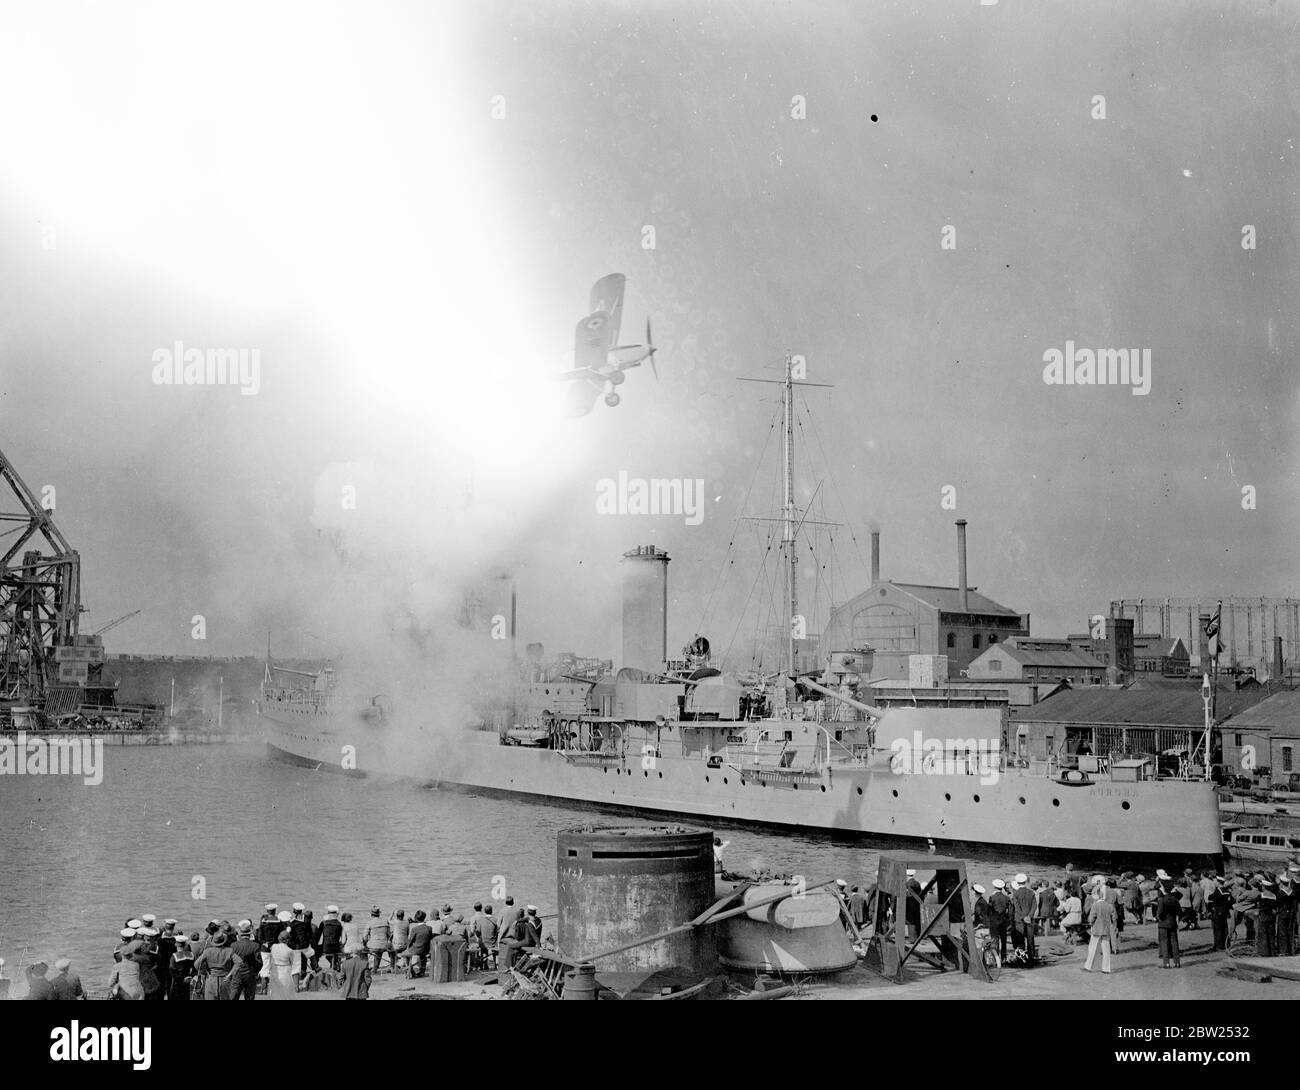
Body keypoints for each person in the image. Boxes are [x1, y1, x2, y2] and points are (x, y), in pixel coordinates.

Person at [1083, 880, 1117, 973]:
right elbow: (1114, 917)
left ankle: (1088, 966)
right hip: (1106, 928)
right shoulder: (1110, 906)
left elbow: (1091, 918)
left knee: (1092, 948)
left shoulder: (1095, 905)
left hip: (1096, 928)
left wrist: (1091, 923)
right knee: (1106, 949)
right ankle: (1106, 968)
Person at [228, 921, 263, 1001]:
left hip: (237, 974)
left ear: (240, 933)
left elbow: (230, 962)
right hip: (250, 974)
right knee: (249, 997)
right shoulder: (255, 945)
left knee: (233, 997)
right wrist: (255, 972)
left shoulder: (234, 945)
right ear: (250, 934)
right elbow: (259, 962)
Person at [196, 930, 235, 1000]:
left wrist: (203, 972)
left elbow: (197, 964)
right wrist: (231, 973)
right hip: (224, 978)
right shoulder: (229, 950)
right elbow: (239, 962)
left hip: (211, 978)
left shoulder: (208, 951)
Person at [1157, 882, 1182, 969]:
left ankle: (1166, 962)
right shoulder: (1175, 900)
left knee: (1164, 942)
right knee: (1174, 942)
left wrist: (1161, 919)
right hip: (1173, 922)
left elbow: (1159, 913)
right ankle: (1177, 962)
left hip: (1163, 923)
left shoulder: (1162, 900)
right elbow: (1179, 912)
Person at [1011, 875, 1035, 963]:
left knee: (1020, 939)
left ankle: (1021, 959)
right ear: (1025, 882)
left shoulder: (1016, 894)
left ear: (1017, 883)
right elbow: (1034, 906)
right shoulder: (1031, 892)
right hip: (1029, 919)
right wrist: (1029, 916)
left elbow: (1017, 908)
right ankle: (1031, 959)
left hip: (1019, 920)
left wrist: (1022, 917)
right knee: (1030, 939)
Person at [270, 928, 298, 999]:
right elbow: (292, 962)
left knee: (275, 992)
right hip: (285, 971)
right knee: (287, 992)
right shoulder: (290, 950)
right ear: (287, 940)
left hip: (274, 970)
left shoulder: (273, 946)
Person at [987, 878, 1011, 963]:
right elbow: (1009, 910)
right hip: (1003, 921)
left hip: (994, 921)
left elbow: (989, 910)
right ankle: (1003, 958)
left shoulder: (992, 897)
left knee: (994, 940)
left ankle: (995, 958)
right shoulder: (1006, 898)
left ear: (995, 887)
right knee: (1003, 940)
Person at [404, 910, 433, 976]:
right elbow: (430, 939)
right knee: (423, 956)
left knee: (406, 955)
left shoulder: (414, 929)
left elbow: (410, 941)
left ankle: (411, 971)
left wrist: (407, 945)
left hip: (416, 949)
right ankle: (422, 971)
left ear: (416, 919)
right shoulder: (429, 928)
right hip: (426, 949)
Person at [1208, 876, 1232, 952]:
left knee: (1217, 929)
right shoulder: (1227, 890)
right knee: (1225, 928)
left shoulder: (1218, 890)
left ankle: (1218, 946)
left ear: (1218, 882)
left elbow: (1210, 898)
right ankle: (1226, 944)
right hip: (1225, 911)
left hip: (1218, 911)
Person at [1255, 879, 1277, 958]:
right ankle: (1272, 951)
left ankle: (1264, 952)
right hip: (1271, 916)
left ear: (1264, 887)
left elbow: (1256, 904)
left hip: (1263, 916)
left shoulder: (1261, 895)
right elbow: (1274, 909)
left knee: (1263, 934)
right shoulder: (1274, 896)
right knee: (1271, 934)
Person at [318, 906, 344, 970]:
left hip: (326, 948)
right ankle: (335, 965)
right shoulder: (339, 924)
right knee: (336, 950)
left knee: (317, 951)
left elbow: (318, 936)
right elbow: (341, 936)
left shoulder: (323, 923)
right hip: (336, 948)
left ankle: (315, 967)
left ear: (328, 914)